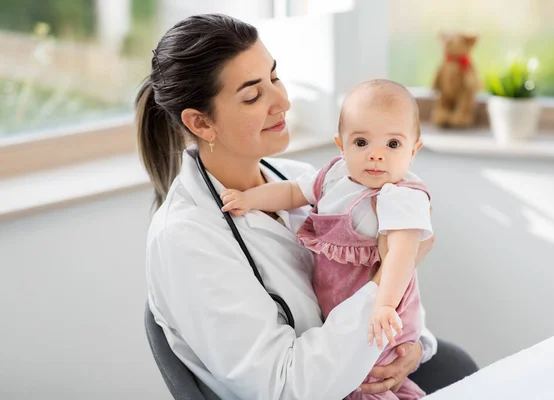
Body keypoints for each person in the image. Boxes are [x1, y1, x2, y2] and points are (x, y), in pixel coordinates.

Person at [138, 13, 477, 400]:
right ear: (201, 123)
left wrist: (412, 350)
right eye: (253, 96)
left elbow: (355, 280)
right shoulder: (184, 239)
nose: (282, 101)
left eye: (275, 77)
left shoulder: (300, 179)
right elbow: (284, 387)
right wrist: (390, 277)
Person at [220, 79, 430, 399]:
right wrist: (250, 199)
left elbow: (402, 254)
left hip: (383, 318)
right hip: (336, 312)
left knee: (369, 381)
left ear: (413, 150)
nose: (375, 155)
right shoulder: (333, 176)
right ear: (340, 145)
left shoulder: (399, 196)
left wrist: (385, 304)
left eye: (393, 144)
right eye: (361, 142)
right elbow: (292, 191)